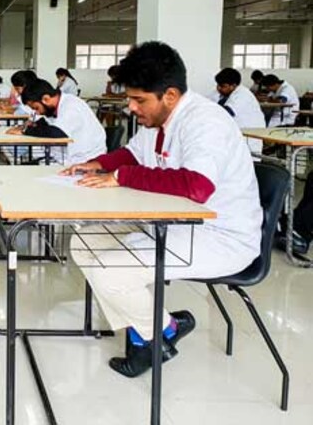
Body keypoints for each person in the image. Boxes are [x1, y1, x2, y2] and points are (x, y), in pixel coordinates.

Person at [62, 42, 262, 378]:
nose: (131, 107)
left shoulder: (204, 122)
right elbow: (133, 154)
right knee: (85, 243)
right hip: (173, 223)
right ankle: (162, 330)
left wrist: (121, 177)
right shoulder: (159, 121)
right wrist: (96, 164)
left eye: (139, 100)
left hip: (220, 235)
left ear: (169, 95)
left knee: (111, 271)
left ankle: (153, 339)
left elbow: (198, 185)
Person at [15, 79, 106, 166]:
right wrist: (31, 125)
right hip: (64, 157)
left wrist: (25, 131)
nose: (38, 113)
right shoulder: (55, 106)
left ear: (46, 99)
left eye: (36, 108)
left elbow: (58, 132)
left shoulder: (71, 105)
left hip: (86, 160)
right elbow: (46, 122)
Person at [213, 68, 264, 153]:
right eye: (217, 85)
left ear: (233, 85)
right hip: (236, 135)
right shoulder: (225, 93)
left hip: (248, 138)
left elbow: (226, 112)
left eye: (222, 86)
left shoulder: (242, 94)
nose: (218, 88)